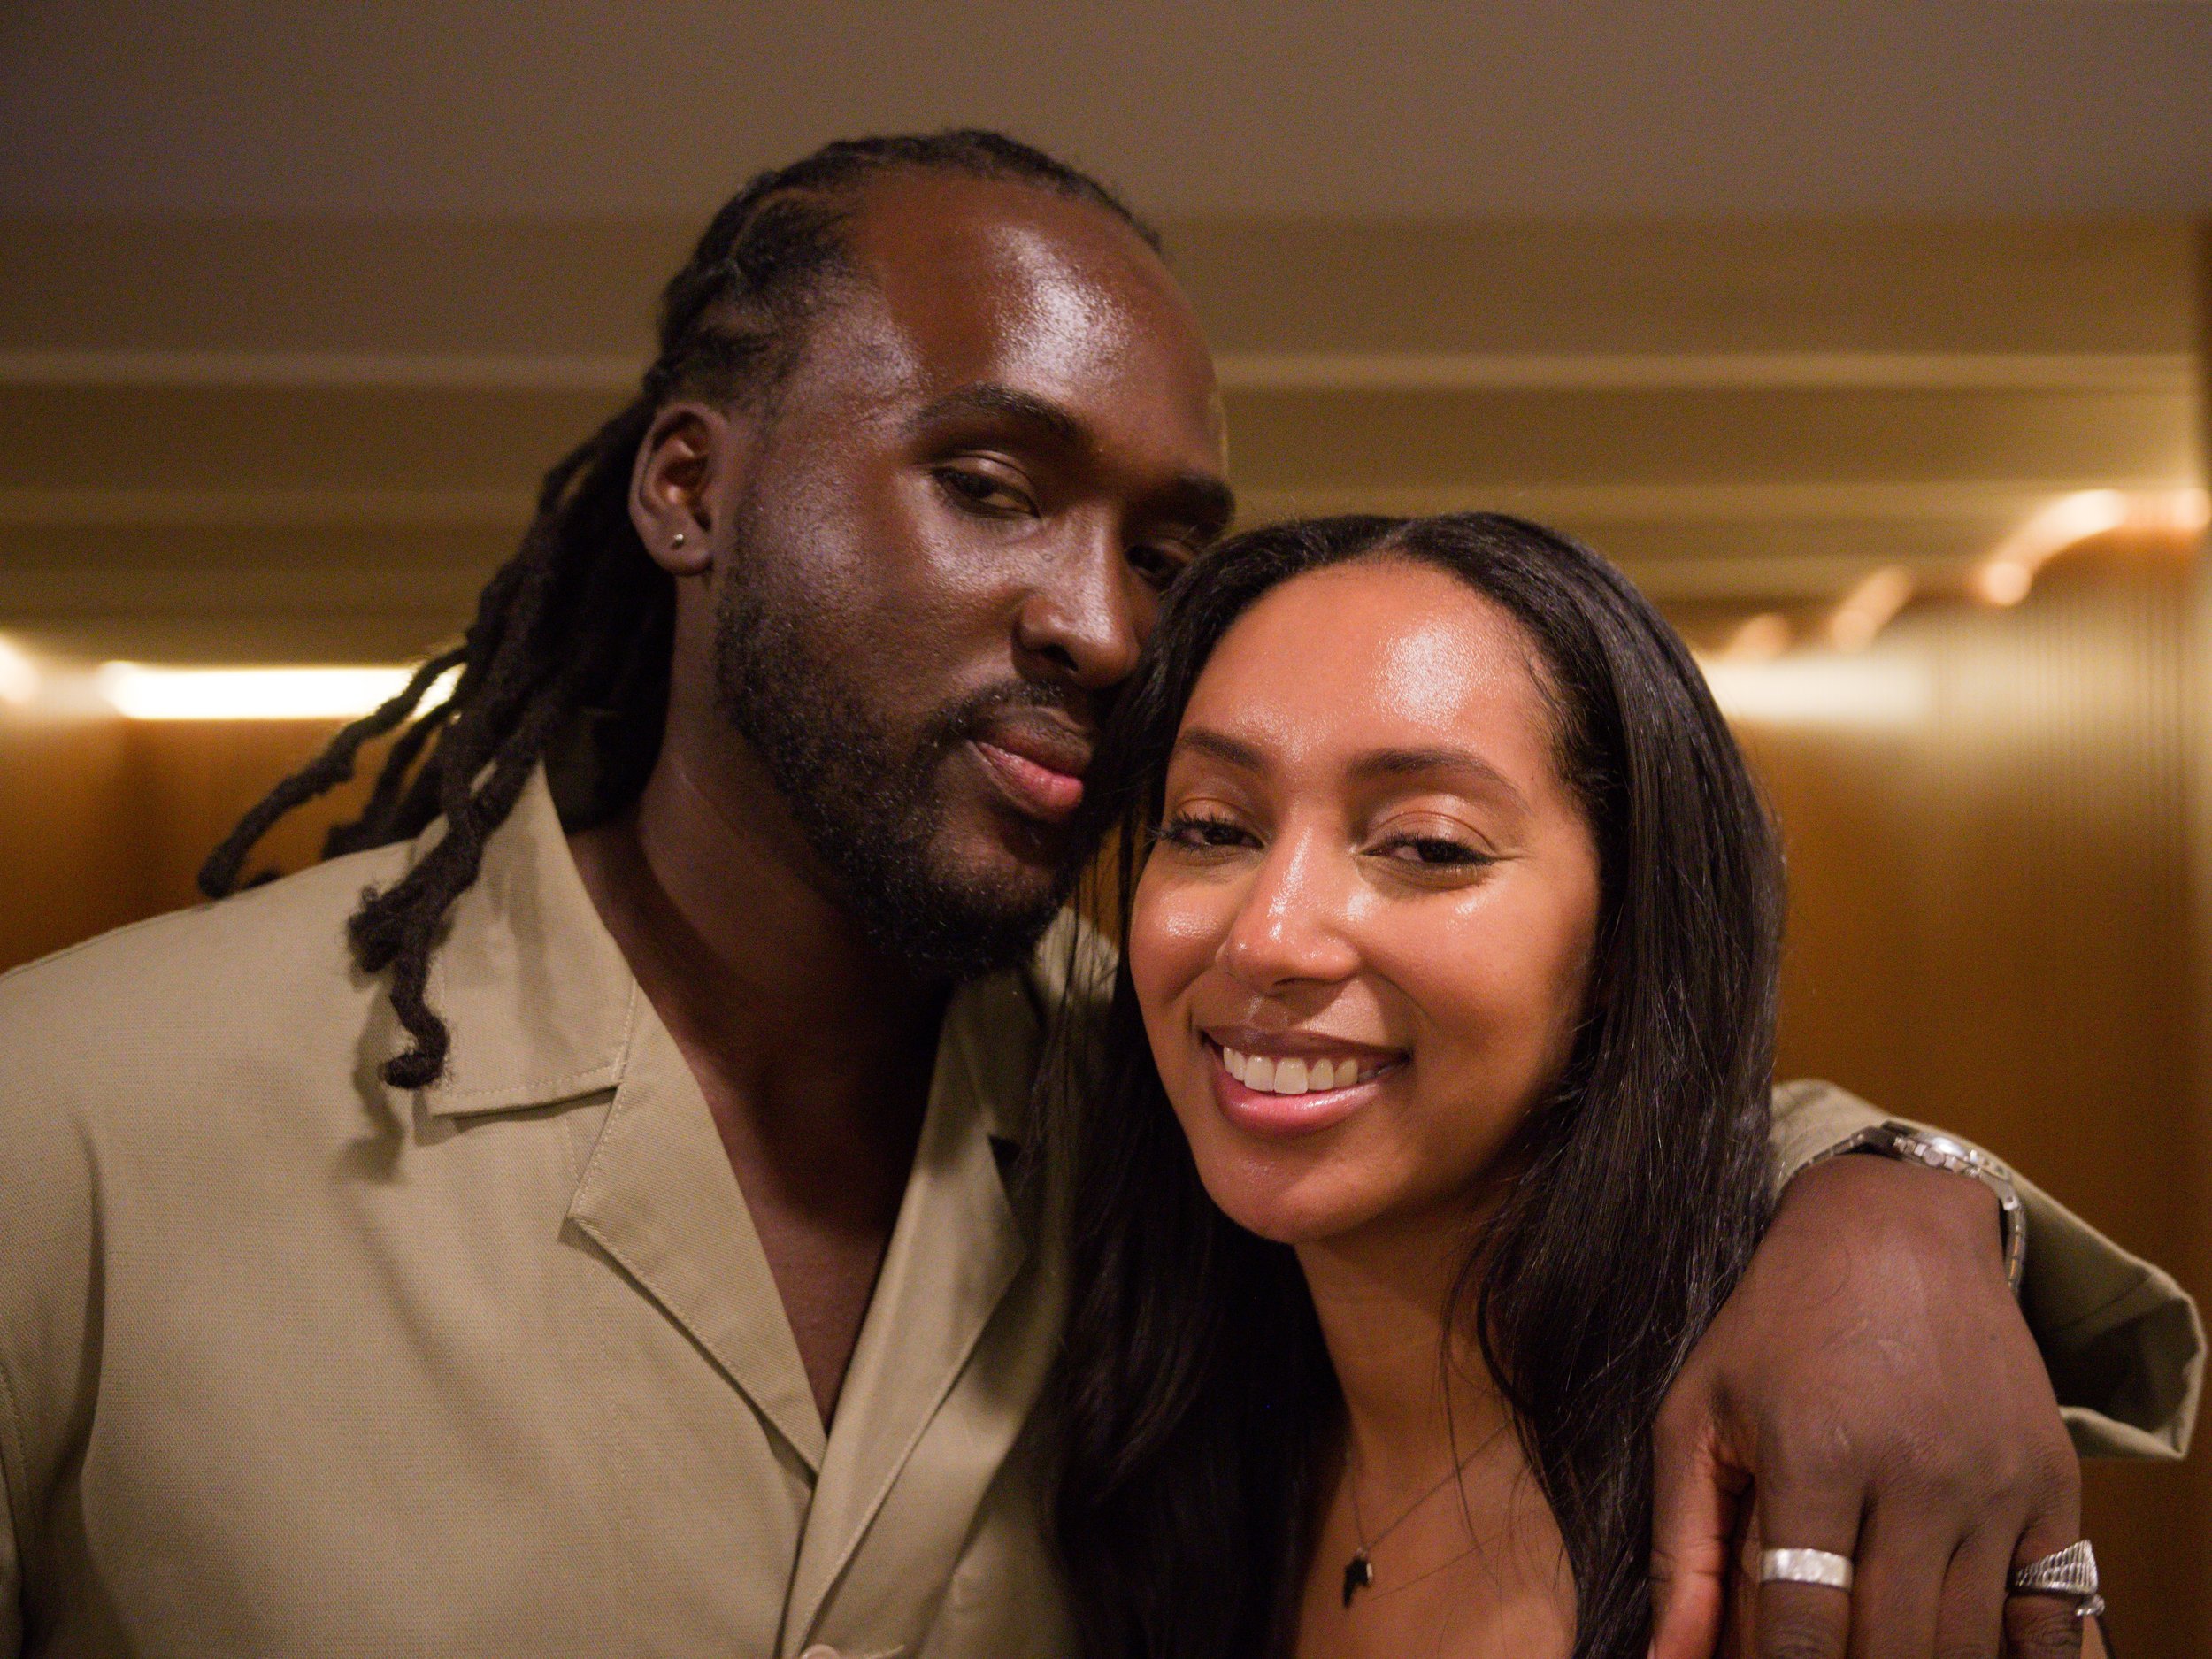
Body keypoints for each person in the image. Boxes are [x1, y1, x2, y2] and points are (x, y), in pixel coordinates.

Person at [0, 133, 2193, 1658]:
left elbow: (1574, 1100)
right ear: (691, 486)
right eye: (988, 487)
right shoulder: (80, 1118)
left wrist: (1893, 1208)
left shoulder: (1179, 1112)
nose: (1107, 627)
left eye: (1163, 549)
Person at [1048, 512, 2127, 1658]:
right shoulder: (1156, 1435)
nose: (1268, 939)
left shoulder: (1802, 1501)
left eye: (1424, 845)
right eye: (1212, 827)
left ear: (1623, 933)